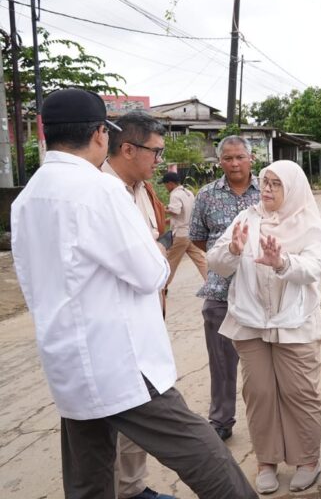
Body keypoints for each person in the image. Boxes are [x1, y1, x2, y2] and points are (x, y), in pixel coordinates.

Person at [10, 88, 256, 499]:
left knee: (88, 477)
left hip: (67, 359)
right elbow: (149, 274)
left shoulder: (28, 198)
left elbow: (32, 282)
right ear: (100, 136)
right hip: (120, 360)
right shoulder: (100, 190)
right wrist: (159, 252)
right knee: (197, 447)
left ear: (44, 131)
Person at [207, 160, 321, 494]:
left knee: (299, 392)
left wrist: (282, 262)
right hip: (250, 321)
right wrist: (233, 250)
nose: (266, 189)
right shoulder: (247, 218)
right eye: (265, 182)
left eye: (276, 184)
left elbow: (314, 267)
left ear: (292, 188)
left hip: (295, 322)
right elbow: (215, 262)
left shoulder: (310, 223)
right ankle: (266, 461)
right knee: (259, 394)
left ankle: (307, 460)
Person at [102, 110, 176, 499]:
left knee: (139, 400)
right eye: (155, 152)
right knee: (123, 412)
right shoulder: (100, 192)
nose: (159, 161)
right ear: (128, 149)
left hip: (149, 312)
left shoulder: (143, 190)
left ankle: (131, 487)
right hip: (117, 324)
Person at [190, 136, 261, 441]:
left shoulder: (268, 191)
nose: (234, 164)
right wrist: (225, 259)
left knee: (263, 363)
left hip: (260, 290)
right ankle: (221, 420)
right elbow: (197, 239)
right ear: (219, 161)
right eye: (228, 158)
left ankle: (268, 420)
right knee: (221, 362)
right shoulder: (206, 195)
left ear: (251, 158)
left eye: (240, 157)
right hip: (220, 291)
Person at [160, 171, 208, 295]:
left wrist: (162, 210)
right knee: (200, 260)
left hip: (181, 235)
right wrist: (167, 220)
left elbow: (176, 211)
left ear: (170, 183)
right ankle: (212, 282)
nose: (166, 187)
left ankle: (163, 286)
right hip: (190, 232)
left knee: (170, 261)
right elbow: (185, 214)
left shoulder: (175, 195)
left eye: (165, 184)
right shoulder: (189, 193)